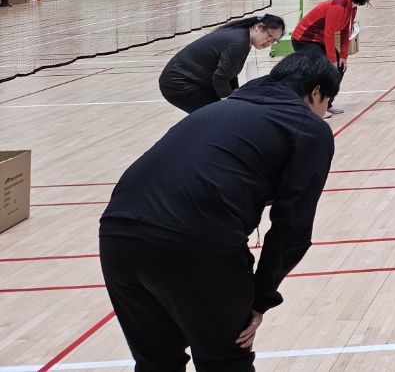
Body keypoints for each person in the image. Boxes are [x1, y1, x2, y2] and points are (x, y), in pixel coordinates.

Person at [99, 52, 341, 372]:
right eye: (327, 103)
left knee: (157, 362)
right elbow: (292, 228)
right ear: (316, 92)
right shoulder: (309, 127)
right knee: (224, 361)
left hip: (117, 235)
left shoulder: (219, 107)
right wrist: (260, 299)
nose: (324, 112)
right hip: (195, 242)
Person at [158, 13, 284, 113]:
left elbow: (230, 73)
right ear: (259, 27)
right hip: (179, 84)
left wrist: (236, 94)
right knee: (218, 116)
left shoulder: (244, 37)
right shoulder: (238, 43)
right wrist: (230, 102)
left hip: (196, 80)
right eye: (270, 36)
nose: (270, 42)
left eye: (274, 40)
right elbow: (220, 78)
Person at [291, 0, 372, 116]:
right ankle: (313, 108)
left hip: (320, 41)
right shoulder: (338, 6)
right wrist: (332, 59)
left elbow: (345, 31)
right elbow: (329, 34)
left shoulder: (352, 7)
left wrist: (343, 56)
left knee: (339, 69)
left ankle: (326, 103)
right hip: (305, 39)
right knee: (322, 70)